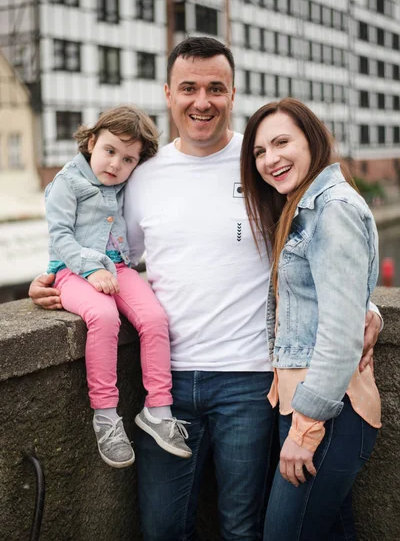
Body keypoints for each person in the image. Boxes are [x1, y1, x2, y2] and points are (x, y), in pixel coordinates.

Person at [30, 38, 381, 540]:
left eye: (215, 88)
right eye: (189, 87)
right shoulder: (142, 174)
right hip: (165, 384)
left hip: (250, 380)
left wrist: (365, 306)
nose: (202, 101)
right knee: (162, 527)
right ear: (169, 93)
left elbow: (319, 243)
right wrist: (60, 279)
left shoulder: (263, 163)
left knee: (241, 527)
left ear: (232, 94)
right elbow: (113, 256)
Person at [240, 98, 381, 541]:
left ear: (312, 140)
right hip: (311, 406)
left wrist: (305, 428)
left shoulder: (331, 208)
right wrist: (369, 309)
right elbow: (335, 295)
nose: (270, 159)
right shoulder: (303, 207)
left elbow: (340, 335)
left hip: (328, 413)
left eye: (282, 142)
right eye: (260, 151)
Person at [44, 105, 191, 469]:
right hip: (73, 271)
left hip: (120, 268)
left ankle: (158, 408)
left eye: (128, 159)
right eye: (110, 151)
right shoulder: (66, 182)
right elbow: (60, 235)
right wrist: (90, 270)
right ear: (92, 141)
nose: (115, 164)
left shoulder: (126, 183)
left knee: (155, 318)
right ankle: (106, 416)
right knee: (104, 317)